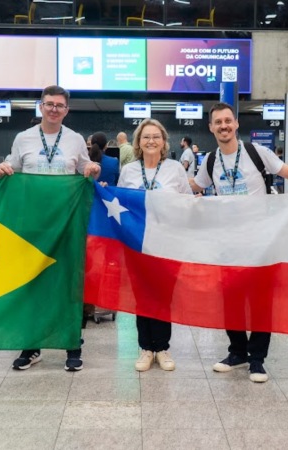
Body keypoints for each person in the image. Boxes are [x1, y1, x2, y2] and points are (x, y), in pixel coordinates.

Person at [189, 102, 288, 383]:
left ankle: (257, 360)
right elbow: (195, 186)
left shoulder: (256, 153)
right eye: (218, 122)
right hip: (227, 244)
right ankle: (237, 352)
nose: (224, 126)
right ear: (211, 128)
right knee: (231, 300)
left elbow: (287, 172)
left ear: (236, 124)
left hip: (261, 241)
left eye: (228, 121)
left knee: (261, 302)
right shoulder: (210, 160)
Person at [0, 85, 100, 372]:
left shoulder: (75, 139)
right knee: (33, 284)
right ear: (40, 106)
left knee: (68, 285)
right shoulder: (23, 138)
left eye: (60, 105)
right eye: (49, 103)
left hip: (66, 223)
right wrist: (4, 167)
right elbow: (13, 166)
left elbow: (83, 166)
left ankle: (72, 343)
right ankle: (31, 347)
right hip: (32, 225)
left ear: (66, 110)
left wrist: (92, 168)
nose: (54, 109)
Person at [117, 119, 191, 372]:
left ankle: (162, 348)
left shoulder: (174, 168)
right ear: (138, 142)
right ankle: (146, 348)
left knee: (163, 295)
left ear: (164, 141)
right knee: (142, 295)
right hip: (137, 242)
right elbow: (120, 203)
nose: (151, 141)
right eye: (146, 137)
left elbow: (187, 202)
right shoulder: (129, 171)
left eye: (156, 137)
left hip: (167, 243)